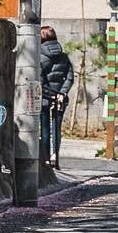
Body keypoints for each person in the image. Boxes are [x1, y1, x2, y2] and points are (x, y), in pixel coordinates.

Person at [39, 25, 74, 168]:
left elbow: (39, 80)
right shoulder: (64, 57)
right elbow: (70, 78)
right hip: (60, 99)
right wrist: (62, 93)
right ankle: (56, 159)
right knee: (57, 130)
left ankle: (46, 160)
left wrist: (49, 94)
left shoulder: (40, 57)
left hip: (45, 99)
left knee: (45, 128)